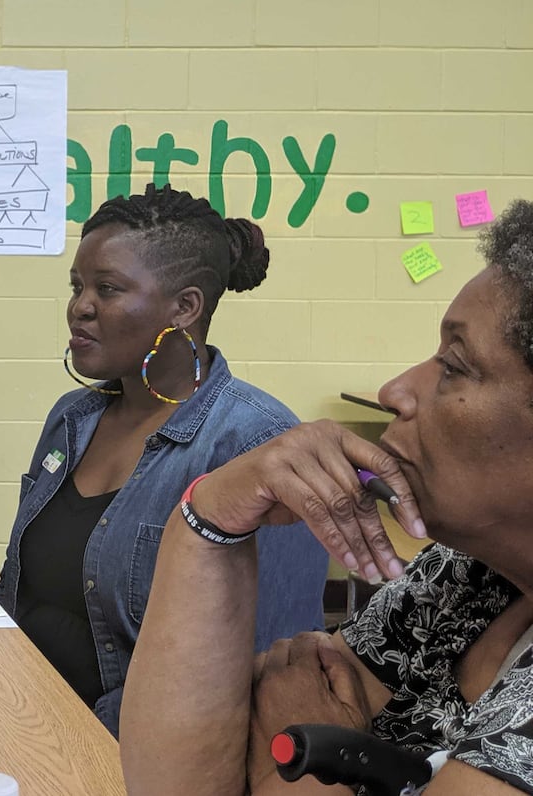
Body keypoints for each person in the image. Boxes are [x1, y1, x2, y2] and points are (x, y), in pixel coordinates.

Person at [122, 201, 533, 795]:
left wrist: (305, 756)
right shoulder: (465, 579)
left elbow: (290, 734)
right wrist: (207, 521)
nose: (395, 391)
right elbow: (175, 785)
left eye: (454, 365)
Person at [0, 184, 328, 736]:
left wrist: (78, 739)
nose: (80, 306)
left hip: (125, 752)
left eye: (107, 288)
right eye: (77, 286)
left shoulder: (257, 446)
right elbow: (18, 588)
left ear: (185, 307)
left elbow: (266, 670)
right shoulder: (72, 418)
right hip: (17, 712)